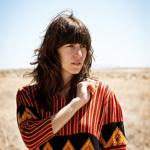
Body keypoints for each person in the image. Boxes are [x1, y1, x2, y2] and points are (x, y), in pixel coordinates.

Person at [16, 10, 126, 150]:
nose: (79, 54)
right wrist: (76, 103)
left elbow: (117, 148)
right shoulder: (28, 96)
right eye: (70, 46)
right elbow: (30, 140)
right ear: (52, 50)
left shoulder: (103, 94)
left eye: (83, 46)